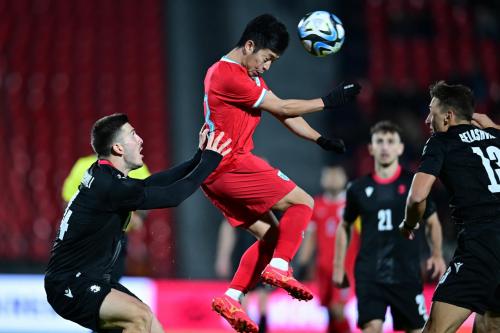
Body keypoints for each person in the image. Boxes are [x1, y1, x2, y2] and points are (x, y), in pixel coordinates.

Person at [201, 14, 361, 332]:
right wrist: (329, 102)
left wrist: (320, 139)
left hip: (216, 172)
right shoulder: (227, 74)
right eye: (268, 58)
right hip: (232, 164)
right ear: (249, 46)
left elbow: (282, 113)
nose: (268, 66)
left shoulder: (249, 78)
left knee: (274, 236)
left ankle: (233, 296)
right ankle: (280, 266)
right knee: (303, 203)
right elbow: (286, 107)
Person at [44, 114, 231, 333]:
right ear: (118, 148)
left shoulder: (105, 174)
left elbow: (152, 183)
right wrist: (211, 159)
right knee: (138, 317)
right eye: (133, 134)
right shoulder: (110, 186)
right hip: (71, 283)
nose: (141, 140)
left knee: (153, 325)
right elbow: (173, 197)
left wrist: (198, 158)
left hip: (91, 278)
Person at [400, 82, 500, 333]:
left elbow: (417, 196)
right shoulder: (496, 136)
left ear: (448, 116)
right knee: (490, 324)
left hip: (482, 244)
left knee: (435, 329)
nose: (426, 119)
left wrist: (409, 223)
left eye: (431, 111)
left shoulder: (441, 142)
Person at [334, 120, 447, 333]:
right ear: (371, 148)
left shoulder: (414, 185)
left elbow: (432, 221)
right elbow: (344, 226)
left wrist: (438, 254)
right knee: (371, 328)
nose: (385, 147)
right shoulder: (358, 188)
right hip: (369, 273)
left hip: (406, 272)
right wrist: (339, 266)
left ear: (400, 148)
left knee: (416, 329)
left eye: (390, 141)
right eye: (379, 141)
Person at [62, 155, 151, 283]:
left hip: (113, 241)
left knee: (106, 286)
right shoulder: (83, 165)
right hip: (85, 239)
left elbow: (142, 209)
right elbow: (68, 204)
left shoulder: (136, 167)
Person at [297, 165, 355, 333]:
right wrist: (302, 263)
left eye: (336, 175)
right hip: (323, 269)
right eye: (329, 176)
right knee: (329, 310)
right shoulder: (317, 205)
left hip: (345, 269)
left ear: (344, 178)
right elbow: (310, 238)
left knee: (338, 309)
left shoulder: (352, 205)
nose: (332, 179)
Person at [214, 220, 271, 333]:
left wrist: (223, 257)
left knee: (258, 294)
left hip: (254, 252)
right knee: (253, 294)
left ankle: (249, 326)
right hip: (246, 252)